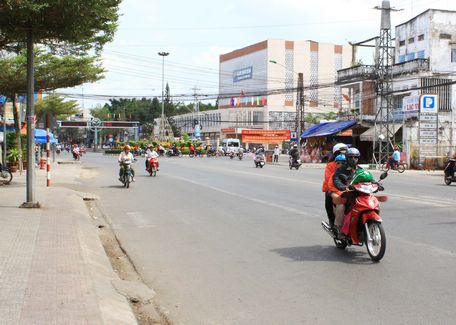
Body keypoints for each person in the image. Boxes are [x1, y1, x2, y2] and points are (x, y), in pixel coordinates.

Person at [329, 147, 362, 237]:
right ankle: (338, 227)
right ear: (347, 158)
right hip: (344, 192)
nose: (354, 159)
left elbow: (368, 177)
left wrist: (375, 184)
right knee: (341, 204)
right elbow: (336, 179)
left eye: (356, 157)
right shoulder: (341, 170)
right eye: (351, 157)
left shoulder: (360, 169)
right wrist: (342, 186)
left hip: (356, 192)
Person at [322, 143, 348, 229]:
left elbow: (360, 173)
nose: (343, 154)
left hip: (347, 188)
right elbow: (329, 179)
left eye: (345, 152)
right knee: (329, 199)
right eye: (341, 152)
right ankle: (332, 221)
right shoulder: (330, 165)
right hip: (332, 188)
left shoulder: (350, 164)